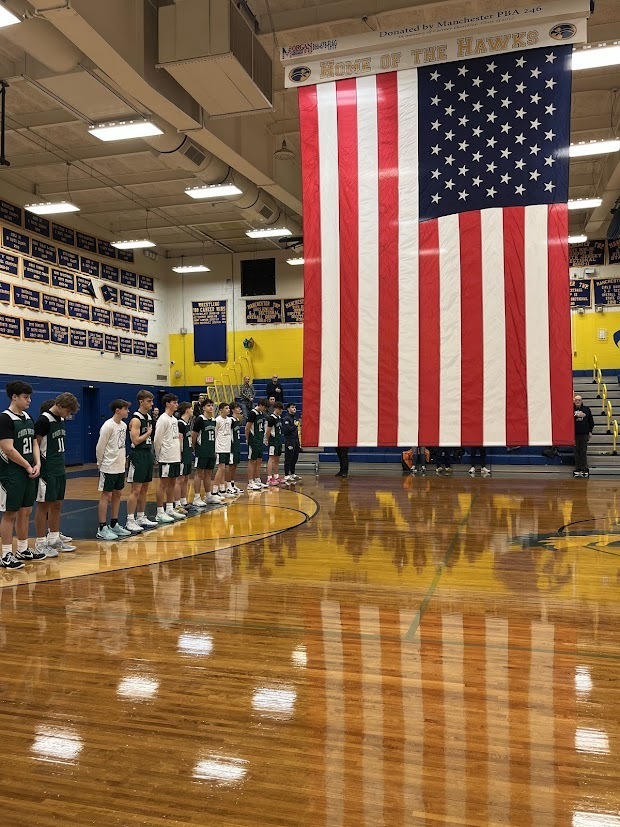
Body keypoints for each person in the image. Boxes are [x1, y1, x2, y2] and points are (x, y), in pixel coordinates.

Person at [0, 381, 47, 569]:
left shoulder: (28, 417)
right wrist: (28, 466)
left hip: (28, 470)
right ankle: (5, 554)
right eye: (26, 397)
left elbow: (35, 443)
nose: (30, 400)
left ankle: (22, 548)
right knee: (10, 513)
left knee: (26, 511)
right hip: (11, 473)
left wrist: (38, 463)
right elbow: (8, 449)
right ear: (14, 397)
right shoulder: (4, 419)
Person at [34, 393, 80, 558]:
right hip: (47, 470)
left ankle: (54, 538)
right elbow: (36, 446)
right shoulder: (43, 421)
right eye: (68, 411)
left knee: (57, 504)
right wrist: (37, 465)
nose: (69, 415)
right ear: (60, 406)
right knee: (43, 506)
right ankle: (40, 543)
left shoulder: (60, 419)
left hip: (59, 468)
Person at [96, 399, 132, 540]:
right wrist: (101, 464)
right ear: (118, 410)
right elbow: (100, 447)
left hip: (120, 466)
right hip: (108, 467)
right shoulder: (108, 426)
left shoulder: (123, 425)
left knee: (118, 494)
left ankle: (114, 523)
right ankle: (102, 527)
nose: (128, 411)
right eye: (125, 409)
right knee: (106, 496)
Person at [126, 390, 158, 533]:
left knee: (145, 489)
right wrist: (148, 434)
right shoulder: (136, 419)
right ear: (141, 402)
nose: (151, 403)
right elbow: (135, 440)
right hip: (138, 455)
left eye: (152, 401)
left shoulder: (148, 417)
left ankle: (140, 516)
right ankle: (130, 520)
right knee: (136, 490)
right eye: (149, 401)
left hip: (147, 454)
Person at [153, 393, 186, 522]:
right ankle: (160, 512)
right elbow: (157, 439)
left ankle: (170, 509)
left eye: (177, 402)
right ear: (167, 404)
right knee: (163, 484)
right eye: (174, 402)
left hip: (174, 456)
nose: (176, 404)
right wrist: (157, 455)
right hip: (166, 457)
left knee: (172, 483)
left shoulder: (173, 419)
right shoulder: (163, 419)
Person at [192, 397, 222, 505]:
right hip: (201, 451)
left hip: (211, 451)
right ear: (203, 407)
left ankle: (208, 495)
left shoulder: (214, 421)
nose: (211, 407)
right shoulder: (200, 419)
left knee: (209, 473)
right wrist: (195, 449)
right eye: (208, 405)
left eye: (212, 405)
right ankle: (196, 497)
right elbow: (194, 436)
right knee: (199, 473)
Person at [213, 402, 236, 499]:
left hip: (227, 447)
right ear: (221, 409)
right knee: (221, 468)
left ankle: (222, 489)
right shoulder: (217, 420)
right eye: (226, 408)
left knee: (224, 468)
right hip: (220, 447)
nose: (228, 410)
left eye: (228, 408)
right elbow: (215, 433)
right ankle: (214, 491)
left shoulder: (230, 420)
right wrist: (215, 448)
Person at [246, 398, 268, 491]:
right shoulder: (252, 413)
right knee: (252, 461)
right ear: (260, 405)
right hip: (253, 440)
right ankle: (250, 482)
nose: (265, 409)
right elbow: (247, 428)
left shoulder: (261, 414)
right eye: (265, 407)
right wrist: (248, 439)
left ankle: (257, 479)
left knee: (259, 460)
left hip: (259, 439)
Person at [177, 402, 195, 511]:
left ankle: (183, 501)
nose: (192, 411)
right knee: (180, 479)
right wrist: (179, 455)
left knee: (186, 478)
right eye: (191, 409)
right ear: (187, 410)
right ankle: (177, 502)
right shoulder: (180, 423)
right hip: (182, 454)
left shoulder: (186, 423)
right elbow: (179, 440)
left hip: (188, 453)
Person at [573, 395, 594, 478]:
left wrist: (590, 431)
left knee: (583, 451)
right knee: (576, 451)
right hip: (574, 435)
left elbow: (591, 421)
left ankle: (584, 468)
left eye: (579, 400)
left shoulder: (586, 409)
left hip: (584, 434)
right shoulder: (570, 410)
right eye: (576, 400)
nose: (577, 401)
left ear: (582, 401)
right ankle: (577, 468)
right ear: (574, 401)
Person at [265, 401, 284, 486]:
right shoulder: (271, 418)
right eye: (279, 409)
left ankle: (276, 476)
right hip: (273, 441)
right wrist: (267, 440)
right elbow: (268, 431)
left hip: (278, 440)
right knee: (271, 459)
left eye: (281, 410)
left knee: (277, 458)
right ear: (275, 408)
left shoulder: (279, 417)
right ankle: (269, 478)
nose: (281, 411)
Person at [226, 402, 243, 494]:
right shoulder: (230, 420)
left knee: (235, 465)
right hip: (231, 445)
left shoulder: (237, 420)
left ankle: (232, 484)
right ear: (232, 410)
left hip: (236, 444)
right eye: (237, 407)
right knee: (230, 466)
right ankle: (228, 485)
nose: (239, 409)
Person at [282, 402, 301, 482]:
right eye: (292, 407)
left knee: (295, 457)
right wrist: (294, 426)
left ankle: (293, 473)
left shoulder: (295, 418)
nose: (294, 409)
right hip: (289, 440)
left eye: (295, 407)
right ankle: (286, 474)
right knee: (289, 457)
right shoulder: (286, 418)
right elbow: (286, 430)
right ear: (288, 408)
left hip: (296, 440)